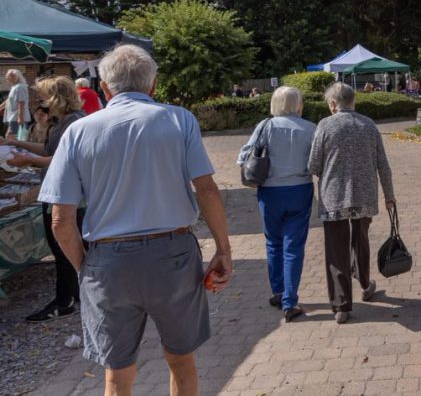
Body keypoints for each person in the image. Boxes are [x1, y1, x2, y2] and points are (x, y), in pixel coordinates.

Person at [38, 45, 232, 395]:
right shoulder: (179, 119)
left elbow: (60, 221)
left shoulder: (78, 132)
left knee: (117, 373)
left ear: (105, 88)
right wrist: (223, 248)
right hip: (173, 255)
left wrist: (87, 269)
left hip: (108, 261)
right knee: (182, 361)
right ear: (153, 85)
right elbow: (207, 190)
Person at [308, 83, 396, 324]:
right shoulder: (369, 125)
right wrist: (389, 194)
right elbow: (383, 165)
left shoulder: (325, 125)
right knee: (360, 240)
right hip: (364, 195)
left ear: (333, 104)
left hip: (333, 197)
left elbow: (313, 165)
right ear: (353, 101)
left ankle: (341, 305)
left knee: (336, 249)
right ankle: (366, 284)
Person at [4, 76, 86, 322]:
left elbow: (63, 159)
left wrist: (27, 160)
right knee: (63, 247)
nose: (39, 101)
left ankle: (64, 302)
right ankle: (76, 294)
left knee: (63, 247)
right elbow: (49, 151)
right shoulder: (61, 122)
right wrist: (15, 142)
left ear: (55, 97)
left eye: (42, 96)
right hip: (59, 191)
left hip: (69, 195)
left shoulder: (73, 122)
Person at [237, 86, 316, 322]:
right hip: (300, 189)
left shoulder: (265, 126)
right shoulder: (311, 128)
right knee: (294, 245)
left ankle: (278, 291)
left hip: (270, 191)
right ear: (298, 104)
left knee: (273, 242)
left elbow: (243, 157)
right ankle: (290, 301)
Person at [1, 69, 29, 139]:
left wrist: (20, 118)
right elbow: (9, 100)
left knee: (14, 138)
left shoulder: (19, 87)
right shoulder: (15, 87)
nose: (7, 79)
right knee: (10, 137)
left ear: (15, 77)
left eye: (9, 77)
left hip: (16, 118)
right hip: (13, 118)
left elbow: (21, 102)